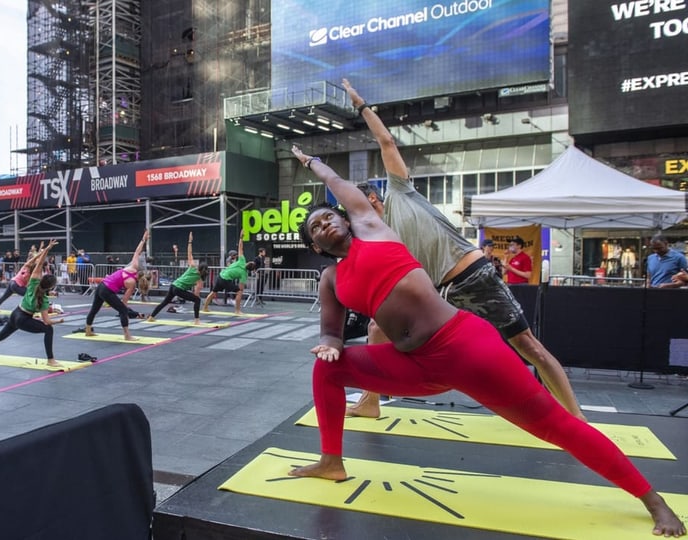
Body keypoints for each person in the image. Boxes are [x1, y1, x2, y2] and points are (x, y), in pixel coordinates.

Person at [287, 144, 684, 537]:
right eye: (315, 228)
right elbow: (330, 331)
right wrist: (331, 345)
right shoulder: (331, 280)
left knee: (554, 425)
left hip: (466, 348)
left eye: (326, 216)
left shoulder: (373, 228)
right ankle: (331, 461)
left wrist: (312, 162)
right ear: (316, 246)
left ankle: (653, 501)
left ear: (346, 216)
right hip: (416, 365)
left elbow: (338, 183)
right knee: (327, 369)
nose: (323, 224)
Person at [340, 78, 584, 421]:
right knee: (376, 329)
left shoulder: (400, 191)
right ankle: (371, 400)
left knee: (527, 346)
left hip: (471, 275)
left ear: (371, 198)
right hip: (440, 293)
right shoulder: (377, 237)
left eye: (351, 202)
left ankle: (576, 417)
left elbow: (386, 141)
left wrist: (360, 104)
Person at [0, 241, 64, 366]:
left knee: (1, 335)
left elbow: (39, 263)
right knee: (49, 330)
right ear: (50, 287)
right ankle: (51, 360)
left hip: (16, 313)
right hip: (24, 319)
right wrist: (58, 321)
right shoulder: (44, 300)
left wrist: (47, 249)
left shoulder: (34, 282)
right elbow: (47, 322)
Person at [83, 230, 149, 341]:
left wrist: (143, 239)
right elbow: (124, 302)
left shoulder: (133, 267)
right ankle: (127, 335)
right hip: (107, 291)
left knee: (95, 309)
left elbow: (137, 252)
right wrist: (125, 309)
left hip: (102, 286)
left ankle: (88, 331)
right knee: (123, 310)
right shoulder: (132, 283)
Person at [147, 232, 208, 324]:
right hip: (178, 289)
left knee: (165, 302)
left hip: (173, 285)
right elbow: (197, 292)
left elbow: (189, 253)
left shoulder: (193, 267)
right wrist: (195, 296)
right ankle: (197, 320)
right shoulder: (199, 278)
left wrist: (190, 241)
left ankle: (151, 317)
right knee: (197, 300)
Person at [203, 235, 255, 315]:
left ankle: (205, 308)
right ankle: (237, 311)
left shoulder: (242, 260)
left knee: (213, 292)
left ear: (248, 263)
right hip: (225, 279)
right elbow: (241, 288)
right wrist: (240, 287)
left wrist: (241, 238)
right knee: (239, 292)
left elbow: (240, 248)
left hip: (220, 276)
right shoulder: (244, 274)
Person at [0, 242, 43, 312]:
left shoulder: (25, 266)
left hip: (12, 282)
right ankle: (29, 309)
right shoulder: (30, 274)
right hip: (16, 285)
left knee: (4, 296)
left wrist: (40, 252)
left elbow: (35, 260)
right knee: (30, 295)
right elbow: (28, 285)